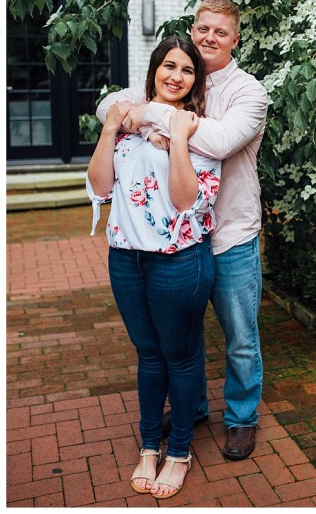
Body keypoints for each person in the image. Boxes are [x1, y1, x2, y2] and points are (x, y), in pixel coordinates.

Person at [97, 0, 268, 461]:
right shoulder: (181, 72)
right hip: (176, 240)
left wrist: (153, 117)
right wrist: (130, 113)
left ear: (236, 39)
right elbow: (109, 106)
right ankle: (192, 407)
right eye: (202, 29)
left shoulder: (248, 92)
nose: (209, 38)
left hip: (229, 233)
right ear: (192, 31)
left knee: (239, 337)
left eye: (220, 32)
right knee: (183, 334)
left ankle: (240, 418)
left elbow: (219, 140)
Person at [88, 37, 221, 500]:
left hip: (179, 261)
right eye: (169, 66)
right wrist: (113, 129)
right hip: (126, 258)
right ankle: (149, 447)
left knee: (180, 357)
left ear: (195, 82)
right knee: (148, 355)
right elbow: (101, 187)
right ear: (155, 69)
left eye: (187, 70)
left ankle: (179, 451)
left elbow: (186, 199)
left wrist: (179, 140)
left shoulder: (199, 129)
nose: (176, 76)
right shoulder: (129, 116)